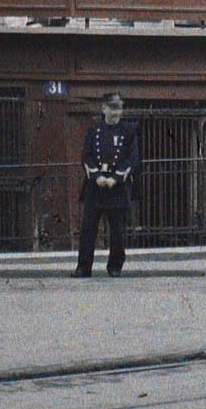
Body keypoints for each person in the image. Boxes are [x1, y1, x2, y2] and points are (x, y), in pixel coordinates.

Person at [75, 92, 141, 276]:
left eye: (119, 108)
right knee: (88, 231)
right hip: (95, 189)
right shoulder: (94, 131)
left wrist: (116, 178)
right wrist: (96, 176)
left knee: (118, 232)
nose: (116, 112)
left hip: (117, 189)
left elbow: (132, 159)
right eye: (112, 108)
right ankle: (83, 268)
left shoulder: (128, 131)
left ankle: (114, 267)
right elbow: (86, 157)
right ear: (103, 108)